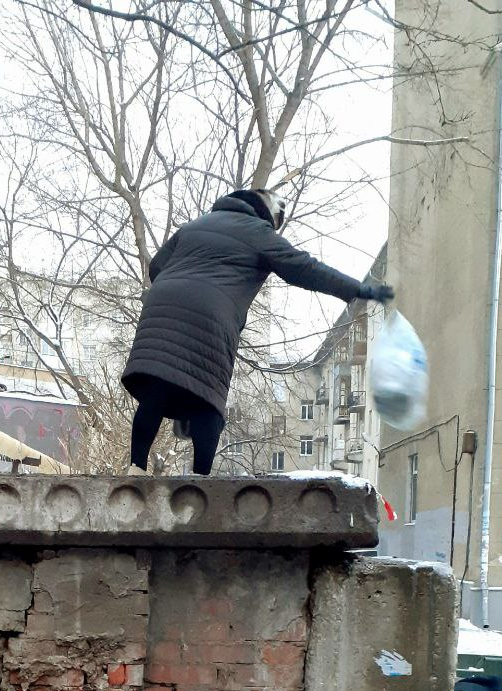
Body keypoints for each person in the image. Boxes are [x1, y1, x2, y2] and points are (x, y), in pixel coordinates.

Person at [122, 188, 394, 476]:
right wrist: (357, 290)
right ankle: (200, 482)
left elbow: (157, 267)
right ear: (266, 215)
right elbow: (305, 268)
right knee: (207, 400)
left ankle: (136, 468)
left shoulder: (194, 226)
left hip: (161, 306)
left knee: (156, 389)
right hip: (212, 314)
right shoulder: (258, 233)